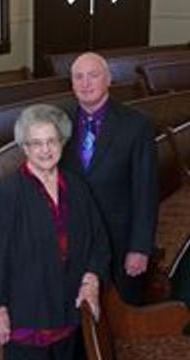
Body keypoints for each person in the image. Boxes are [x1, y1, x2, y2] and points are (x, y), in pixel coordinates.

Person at [0, 104, 110, 360]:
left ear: (62, 142)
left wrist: (91, 279)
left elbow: (99, 240)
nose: (45, 150)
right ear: (25, 148)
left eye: (51, 141)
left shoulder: (76, 187)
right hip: (27, 312)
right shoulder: (8, 194)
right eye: (36, 143)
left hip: (69, 305)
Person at [61, 52, 158, 305]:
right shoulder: (60, 124)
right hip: (75, 239)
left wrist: (140, 246)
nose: (85, 83)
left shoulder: (136, 125)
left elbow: (145, 192)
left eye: (93, 75)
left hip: (120, 238)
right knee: (77, 314)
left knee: (122, 315)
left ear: (109, 79)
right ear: (71, 84)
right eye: (78, 77)